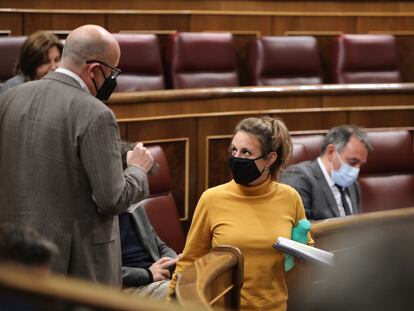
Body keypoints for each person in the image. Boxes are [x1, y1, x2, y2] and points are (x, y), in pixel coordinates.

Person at [0, 24, 154, 287]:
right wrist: (137, 170)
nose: (112, 81)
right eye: (112, 72)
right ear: (94, 70)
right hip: (76, 270)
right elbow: (112, 200)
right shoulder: (95, 113)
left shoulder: (8, 99)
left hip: (13, 259)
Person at [168, 116, 313, 311]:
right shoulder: (212, 199)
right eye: (234, 150)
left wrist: (304, 252)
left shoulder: (290, 197)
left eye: (246, 152)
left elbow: (305, 251)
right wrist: (172, 301)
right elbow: (189, 261)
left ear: (270, 158)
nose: (237, 158)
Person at [118, 141, 179, 300]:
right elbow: (104, 272)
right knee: (184, 294)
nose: (143, 189)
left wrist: (174, 261)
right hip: (131, 287)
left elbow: (158, 244)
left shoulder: (134, 205)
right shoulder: (101, 215)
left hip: (158, 278)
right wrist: (148, 274)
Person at [280, 125, 372, 221]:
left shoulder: (353, 184)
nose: (356, 170)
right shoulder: (298, 178)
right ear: (331, 152)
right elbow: (299, 228)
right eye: (352, 162)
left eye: (360, 165)